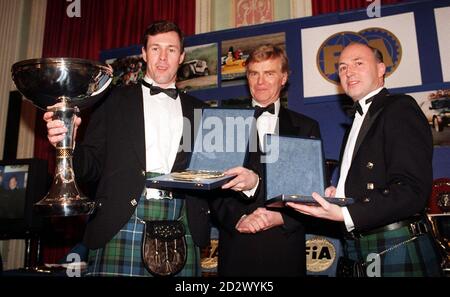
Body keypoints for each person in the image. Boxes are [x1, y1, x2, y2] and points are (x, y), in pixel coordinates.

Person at [44, 20, 210, 277]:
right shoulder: (112, 101)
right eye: (155, 49)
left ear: (182, 56)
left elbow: (211, 174)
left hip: (184, 224)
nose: (163, 57)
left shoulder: (202, 110)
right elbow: (90, 166)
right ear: (143, 54)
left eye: (171, 49)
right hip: (121, 224)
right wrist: (68, 144)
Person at [288, 42, 442, 277]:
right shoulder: (357, 123)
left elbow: (411, 190)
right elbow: (369, 182)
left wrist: (346, 214)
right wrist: (339, 195)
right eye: (342, 68)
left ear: (381, 69)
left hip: (396, 242)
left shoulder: (400, 108)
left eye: (358, 63)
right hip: (359, 244)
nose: (348, 72)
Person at [209, 44, 321, 276]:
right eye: (254, 74)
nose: (260, 82)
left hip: (285, 247)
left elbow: (311, 192)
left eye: (269, 73)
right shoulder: (224, 125)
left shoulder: (306, 126)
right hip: (237, 246)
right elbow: (213, 187)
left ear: (283, 78)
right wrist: (239, 218)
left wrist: (281, 216)